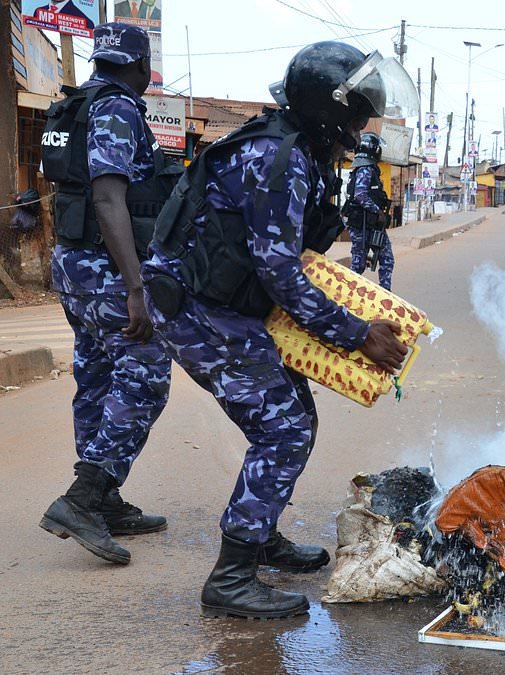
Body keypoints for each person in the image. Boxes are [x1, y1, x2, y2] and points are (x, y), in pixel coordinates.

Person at [141, 41, 412, 619]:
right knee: (283, 430)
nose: (362, 126)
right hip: (197, 308)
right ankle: (231, 578)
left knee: (295, 413)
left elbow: (291, 259)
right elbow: (280, 271)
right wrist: (356, 333)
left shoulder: (300, 150)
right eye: (358, 113)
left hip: (227, 303)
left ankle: (259, 536)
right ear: (327, 109)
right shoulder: (277, 157)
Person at [39, 22, 178, 566]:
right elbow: (108, 197)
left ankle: (105, 501)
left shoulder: (77, 104)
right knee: (146, 374)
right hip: (108, 270)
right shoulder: (118, 108)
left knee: (96, 375)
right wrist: (136, 287)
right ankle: (84, 497)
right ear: (141, 67)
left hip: (72, 266)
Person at [345, 131, 395, 290]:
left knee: (387, 259)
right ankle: (347, 294)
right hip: (362, 224)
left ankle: (386, 294)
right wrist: (378, 212)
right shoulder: (365, 169)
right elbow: (360, 195)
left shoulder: (370, 170)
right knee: (358, 264)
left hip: (372, 224)